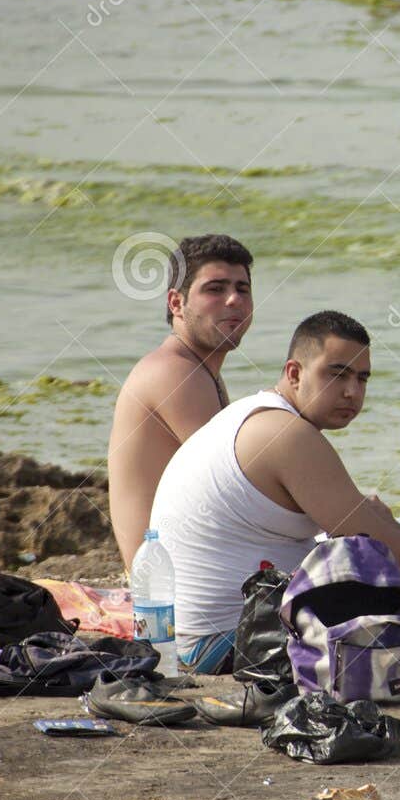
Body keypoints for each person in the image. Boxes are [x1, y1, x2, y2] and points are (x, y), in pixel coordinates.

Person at [149, 310, 400, 673]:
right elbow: (377, 545)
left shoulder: (256, 412)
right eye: (337, 375)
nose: (351, 392)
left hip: (192, 634)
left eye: (362, 379)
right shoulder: (289, 436)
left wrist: (399, 536)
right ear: (294, 373)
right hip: (230, 642)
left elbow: (361, 523)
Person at [109, 233, 254, 569]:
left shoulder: (199, 370)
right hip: (165, 579)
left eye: (242, 289)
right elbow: (232, 481)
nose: (233, 299)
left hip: (184, 563)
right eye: (215, 289)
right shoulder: (173, 372)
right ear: (176, 303)